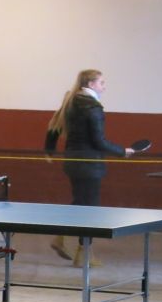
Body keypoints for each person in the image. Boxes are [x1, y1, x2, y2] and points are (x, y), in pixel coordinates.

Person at [44, 69, 134, 267]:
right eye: (102, 82)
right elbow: (99, 141)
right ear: (91, 84)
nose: (104, 87)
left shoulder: (70, 102)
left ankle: (61, 237)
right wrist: (122, 151)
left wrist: (49, 150)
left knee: (80, 204)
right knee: (90, 211)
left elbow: (54, 127)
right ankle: (84, 255)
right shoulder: (93, 107)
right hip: (89, 165)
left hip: (72, 162)